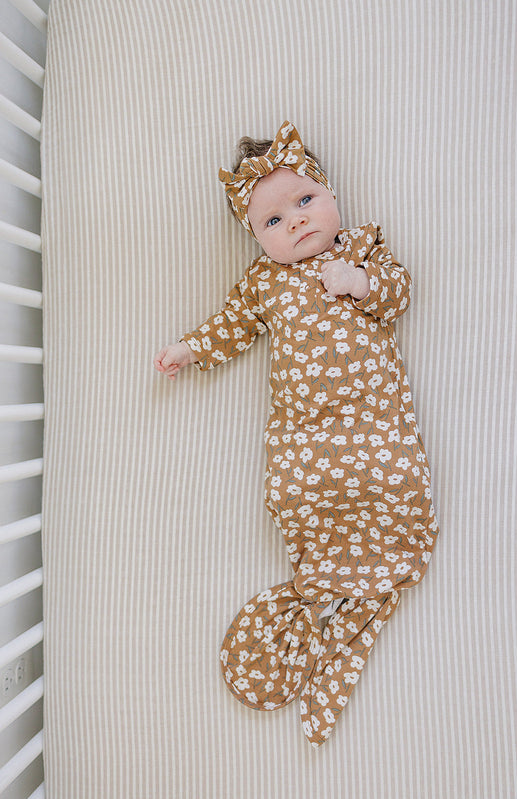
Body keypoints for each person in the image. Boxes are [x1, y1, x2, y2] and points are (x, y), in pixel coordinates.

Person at [153, 120, 439, 747]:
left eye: (305, 200)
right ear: (257, 237)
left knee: (390, 483)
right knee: (299, 494)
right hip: (304, 437)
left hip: (373, 423)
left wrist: (359, 283)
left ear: (331, 193)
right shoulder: (264, 282)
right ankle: (325, 588)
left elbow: (398, 292)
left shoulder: (359, 247)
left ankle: (362, 583)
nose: (297, 221)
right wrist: (190, 349)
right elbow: (230, 324)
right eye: (274, 221)